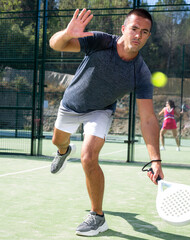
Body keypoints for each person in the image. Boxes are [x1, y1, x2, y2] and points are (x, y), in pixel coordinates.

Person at [49, 8, 164, 236]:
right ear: (123, 29)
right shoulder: (101, 41)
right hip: (71, 105)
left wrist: (156, 160)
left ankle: (97, 217)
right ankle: (63, 151)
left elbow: (149, 119)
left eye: (144, 32)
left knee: (89, 157)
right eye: (134, 29)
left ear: (148, 37)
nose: (138, 35)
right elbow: (56, 44)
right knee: (58, 141)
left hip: (100, 111)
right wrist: (67, 33)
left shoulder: (141, 74)